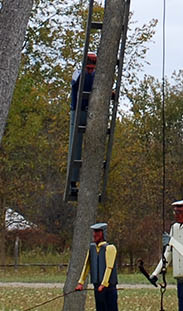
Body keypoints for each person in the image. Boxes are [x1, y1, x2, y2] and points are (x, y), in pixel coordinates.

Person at [75, 222, 121, 311]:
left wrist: (104, 283)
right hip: (97, 286)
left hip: (108, 287)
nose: (95, 235)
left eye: (98, 232)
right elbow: (87, 266)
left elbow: (109, 267)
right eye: (94, 232)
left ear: (103, 233)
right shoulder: (92, 249)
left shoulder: (110, 248)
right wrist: (81, 282)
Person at [64, 53, 99, 201]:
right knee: (75, 145)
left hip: (92, 112)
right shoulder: (77, 73)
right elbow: (75, 83)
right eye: (88, 67)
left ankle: (91, 181)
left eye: (92, 68)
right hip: (77, 111)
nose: (90, 71)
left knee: (94, 145)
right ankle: (72, 182)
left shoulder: (98, 75)